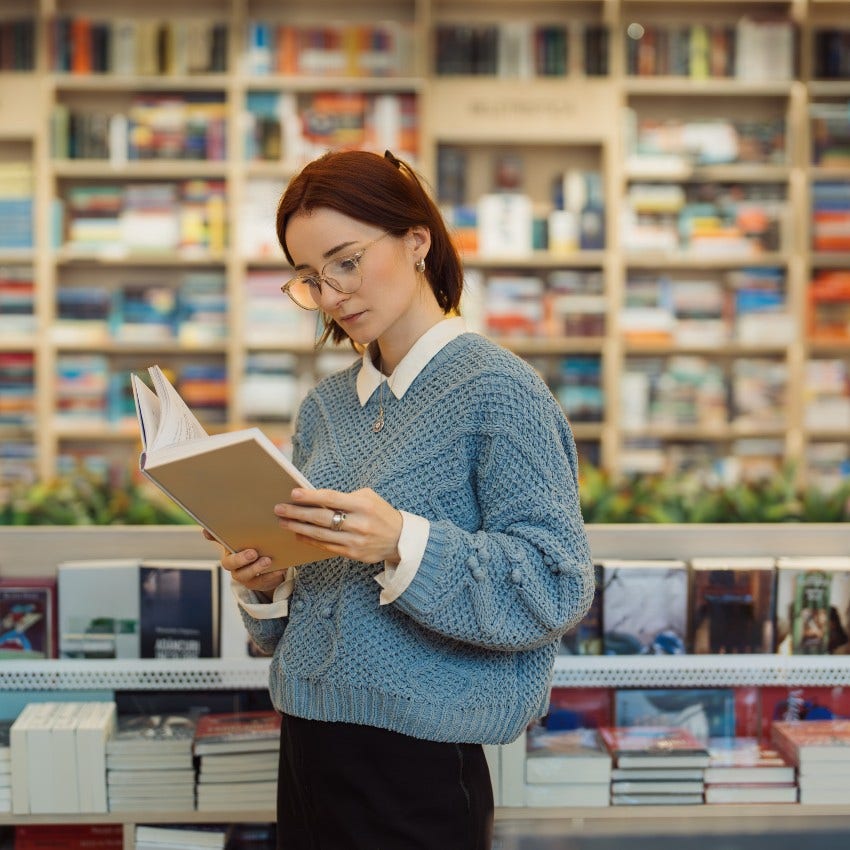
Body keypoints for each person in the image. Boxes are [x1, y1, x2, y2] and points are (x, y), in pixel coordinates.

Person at [210, 148, 594, 850]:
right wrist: (267, 582)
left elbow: (557, 583)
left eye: (346, 262)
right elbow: (290, 625)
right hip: (306, 748)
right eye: (308, 279)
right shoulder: (324, 407)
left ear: (417, 240)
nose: (330, 295)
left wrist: (401, 542)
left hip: (421, 765)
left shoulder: (499, 391)